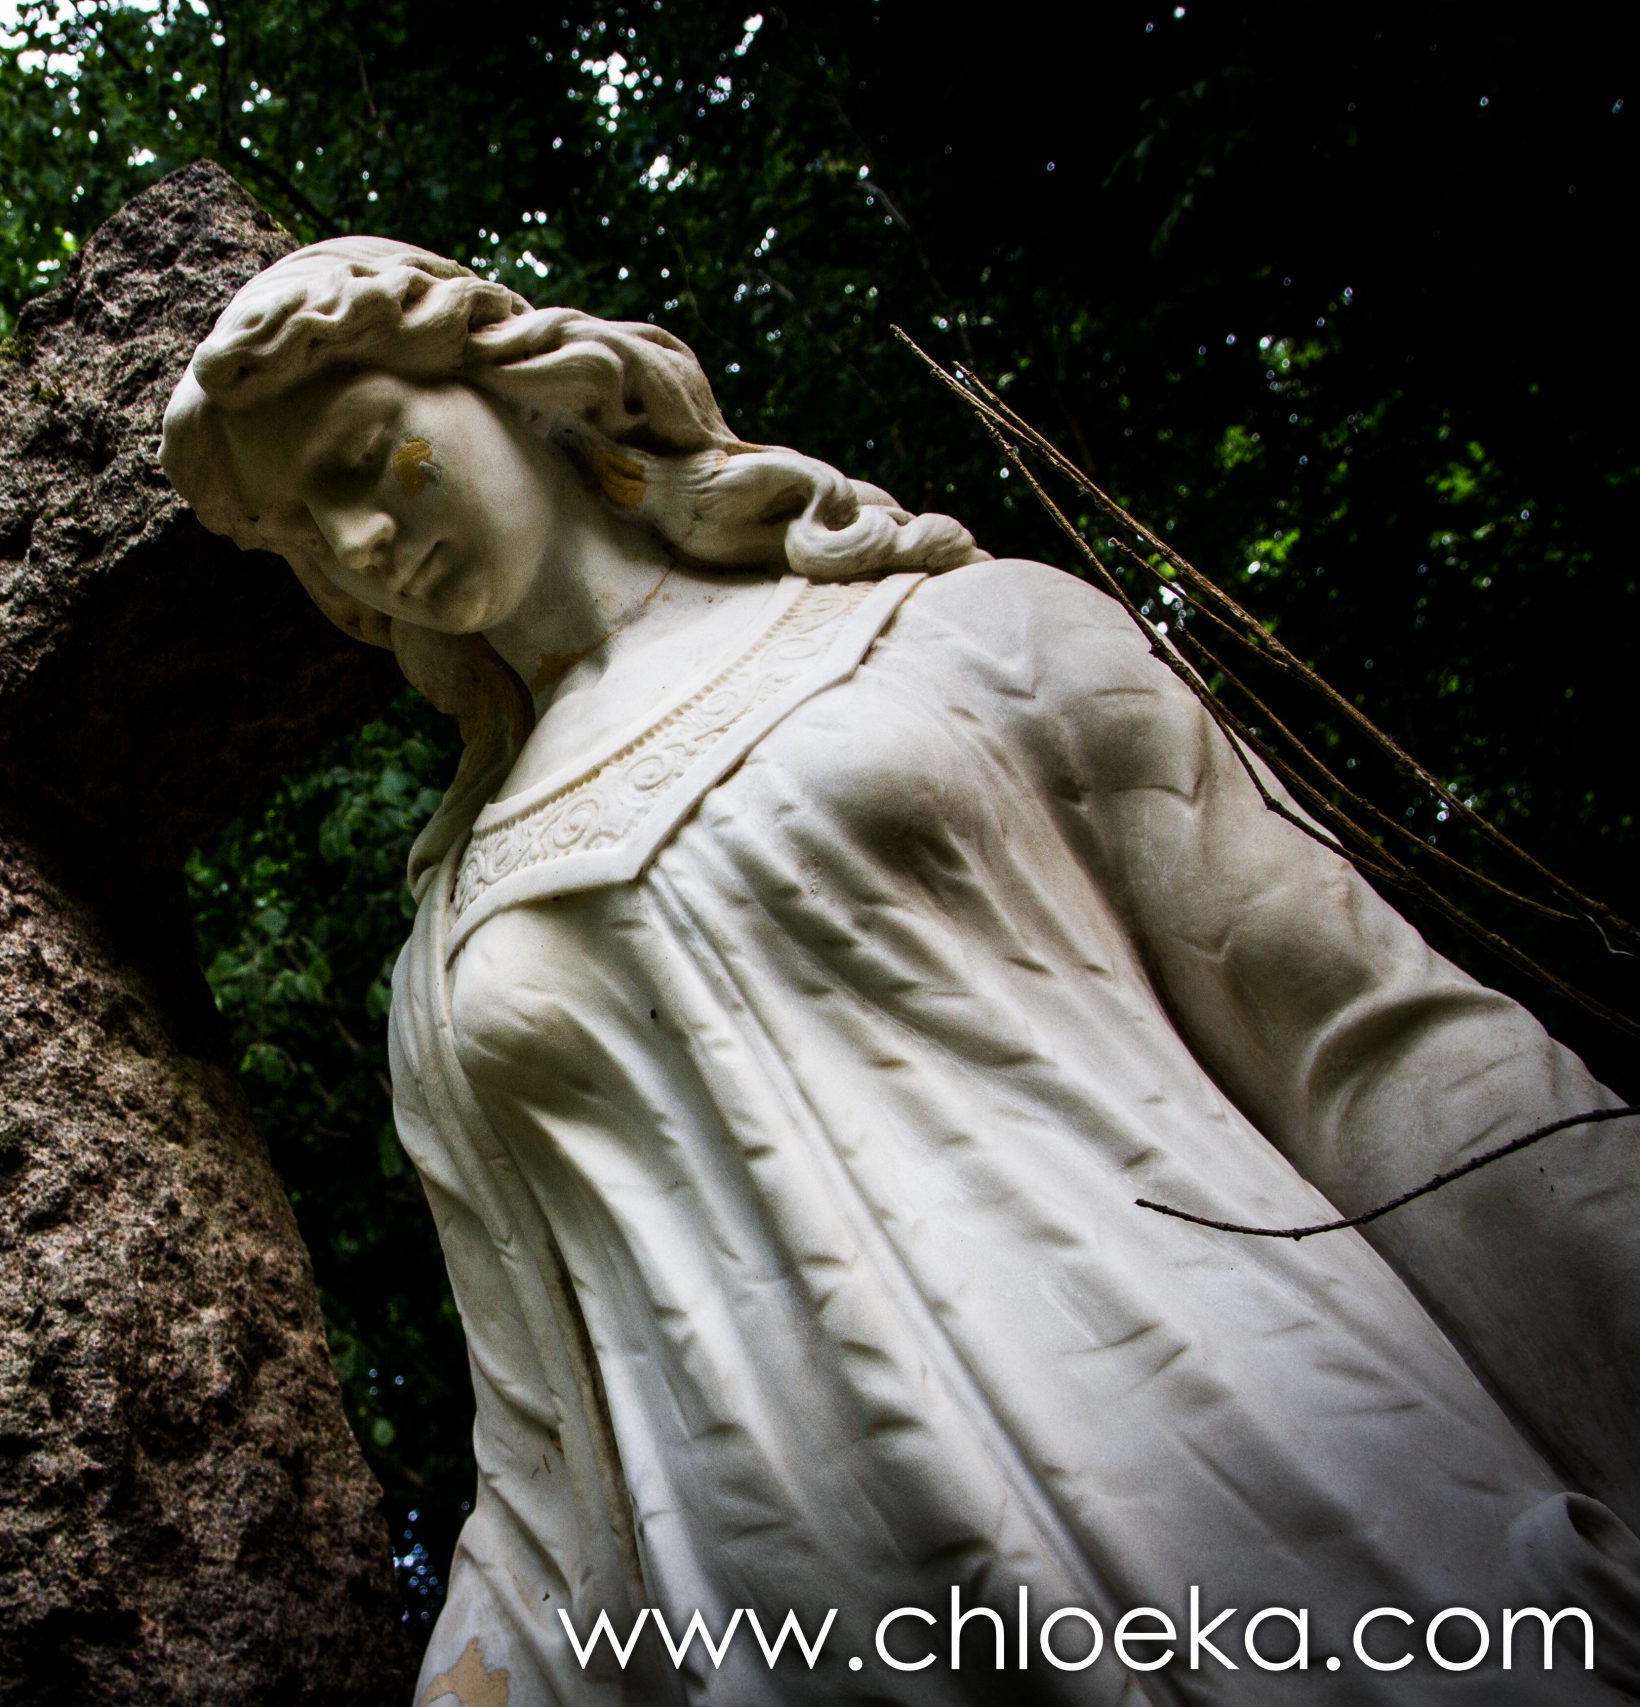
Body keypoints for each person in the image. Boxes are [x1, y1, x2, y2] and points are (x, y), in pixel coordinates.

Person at [161, 238, 1640, 1704]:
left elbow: (1379, 1055)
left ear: (516, 381)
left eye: (366, 457)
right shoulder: (450, 961)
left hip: (1306, 1519)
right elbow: (549, 1475)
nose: (359, 543)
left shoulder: (958, 633)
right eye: (307, 532)